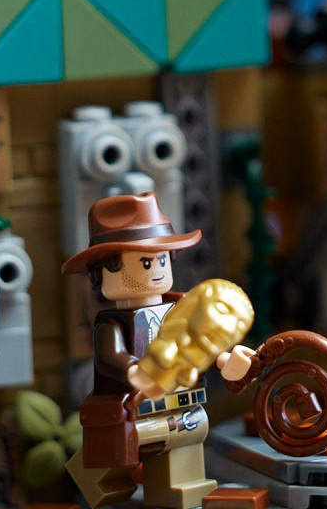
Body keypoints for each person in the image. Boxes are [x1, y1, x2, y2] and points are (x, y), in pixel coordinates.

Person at [62, 193, 254, 509]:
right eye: (146, 262)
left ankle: (181, 488)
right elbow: (111, 356)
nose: (157, 270)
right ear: (105, 272)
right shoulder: (111, 323)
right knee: (115, 455)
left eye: (163, 260)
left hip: (182, 404)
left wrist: (224, 361)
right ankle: (94, 474)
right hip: (135, 407)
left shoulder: (182, 309)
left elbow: (198, 345)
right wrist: (135, 371)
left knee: (187, 440)